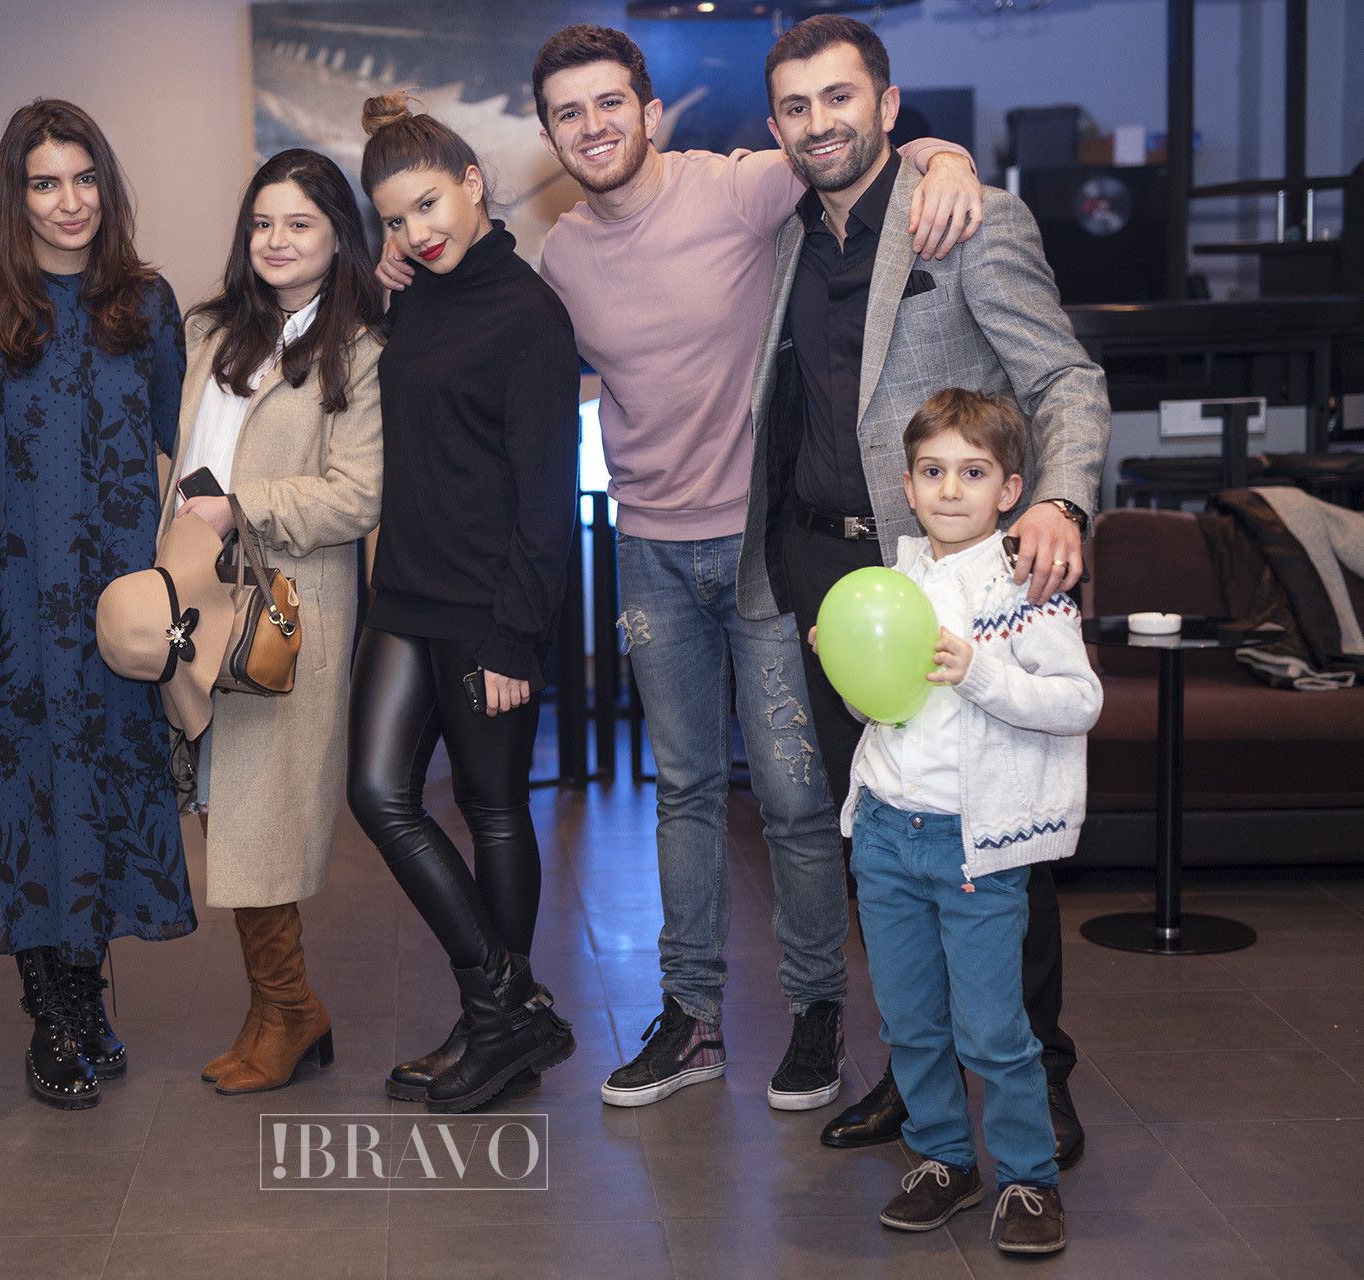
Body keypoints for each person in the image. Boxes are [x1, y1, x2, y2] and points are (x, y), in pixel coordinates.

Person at [376, 24, 977, 1113]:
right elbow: (479, 330)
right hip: (648, 549)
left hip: (758, 545)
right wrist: (397, 268)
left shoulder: (734, 189)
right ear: (549, 136)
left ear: (649, 113)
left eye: (610, 103)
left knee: (792, 798)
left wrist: (949, 158)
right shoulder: (561, 259)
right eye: (568, 113)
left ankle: (815, 1014)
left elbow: (855, 154)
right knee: (684, 792)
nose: (592, 126)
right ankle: (691, 1018)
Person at [743, 14, 1109, 1162]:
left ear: (888, 106)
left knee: (995, 823)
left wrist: (1061, 501)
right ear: (775, 126)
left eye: (840, 97)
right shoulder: (781, 238)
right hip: (830, 575)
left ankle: (1040, 1074)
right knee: (887, 833)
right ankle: (921, 1072)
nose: (819, 123)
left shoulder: (969, 217)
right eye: (796, 106)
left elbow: (1065, 377)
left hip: (959, 573)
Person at [0, 100, 194, 1111]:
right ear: (17, 195)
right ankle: (55, 1013)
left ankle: (85, 996)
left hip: (117, 608)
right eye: (45, 182)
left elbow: (186, 443)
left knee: (102, 794)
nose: (69, 201)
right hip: (13, 605)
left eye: (84, 179)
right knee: (27, 799)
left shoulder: (147, 305)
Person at [809, 388, 1098, 1255]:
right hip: (887, 832)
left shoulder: (1028, 584)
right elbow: (888, 709)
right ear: (906, 486)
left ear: (1010, 490)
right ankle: (943, 1159)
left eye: (972, 473)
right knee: (909, 1022)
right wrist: (847, 664)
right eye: (932, 471)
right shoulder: (893, 582)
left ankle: (1028, 1178)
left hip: (976, 844)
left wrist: (977, 671)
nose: (948, 489)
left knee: (994, 1029)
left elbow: (1077, 702)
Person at [347, 92, 581, 1114]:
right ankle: (506, 1006)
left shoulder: (530, 315)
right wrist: (384, 280)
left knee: (491, 808)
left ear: (474, 183)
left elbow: (546, 495)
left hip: (490, 607)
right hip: (404, 589)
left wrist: (516, 636)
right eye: (395, 219)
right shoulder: (409, 295)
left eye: (429, 205)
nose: (417, 232)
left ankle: (496, 1022)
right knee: (377, 792)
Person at [167, 148, 384, 1095]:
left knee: (261, 815)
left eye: (300, 223)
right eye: (262, 223)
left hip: (286, 612)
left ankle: (287, 1010)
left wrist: (241, 508)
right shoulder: (210, 331)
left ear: (339, 237)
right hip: (196, 597)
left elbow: (358, 494)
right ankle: (280, 1007)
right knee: (223, 804)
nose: (277, 240)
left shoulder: (362, 350)